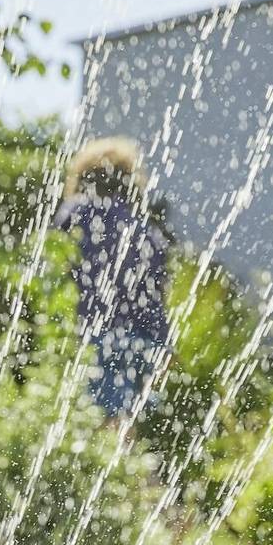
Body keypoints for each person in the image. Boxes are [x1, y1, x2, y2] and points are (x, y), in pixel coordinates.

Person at [57, 135, 172, 420]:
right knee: (125, 424)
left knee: (92, 425)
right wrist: (165, 347)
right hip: (143, 341)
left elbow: (54, 267)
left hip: (93, 334)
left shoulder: (76, 211)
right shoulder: (143, 227)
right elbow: (158, 291)